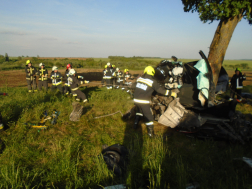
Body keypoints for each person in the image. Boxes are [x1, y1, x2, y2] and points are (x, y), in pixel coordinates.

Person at [133, 66, 173, 138]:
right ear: (152, 73)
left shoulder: (140, 79)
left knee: (139, 111)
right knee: (149, 116)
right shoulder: (152, 81)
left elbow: (138, 87)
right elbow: (161, 91)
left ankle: (135, 124)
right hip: (143, 101)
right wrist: (171, 93)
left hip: (136, 100)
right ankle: (151, 134)